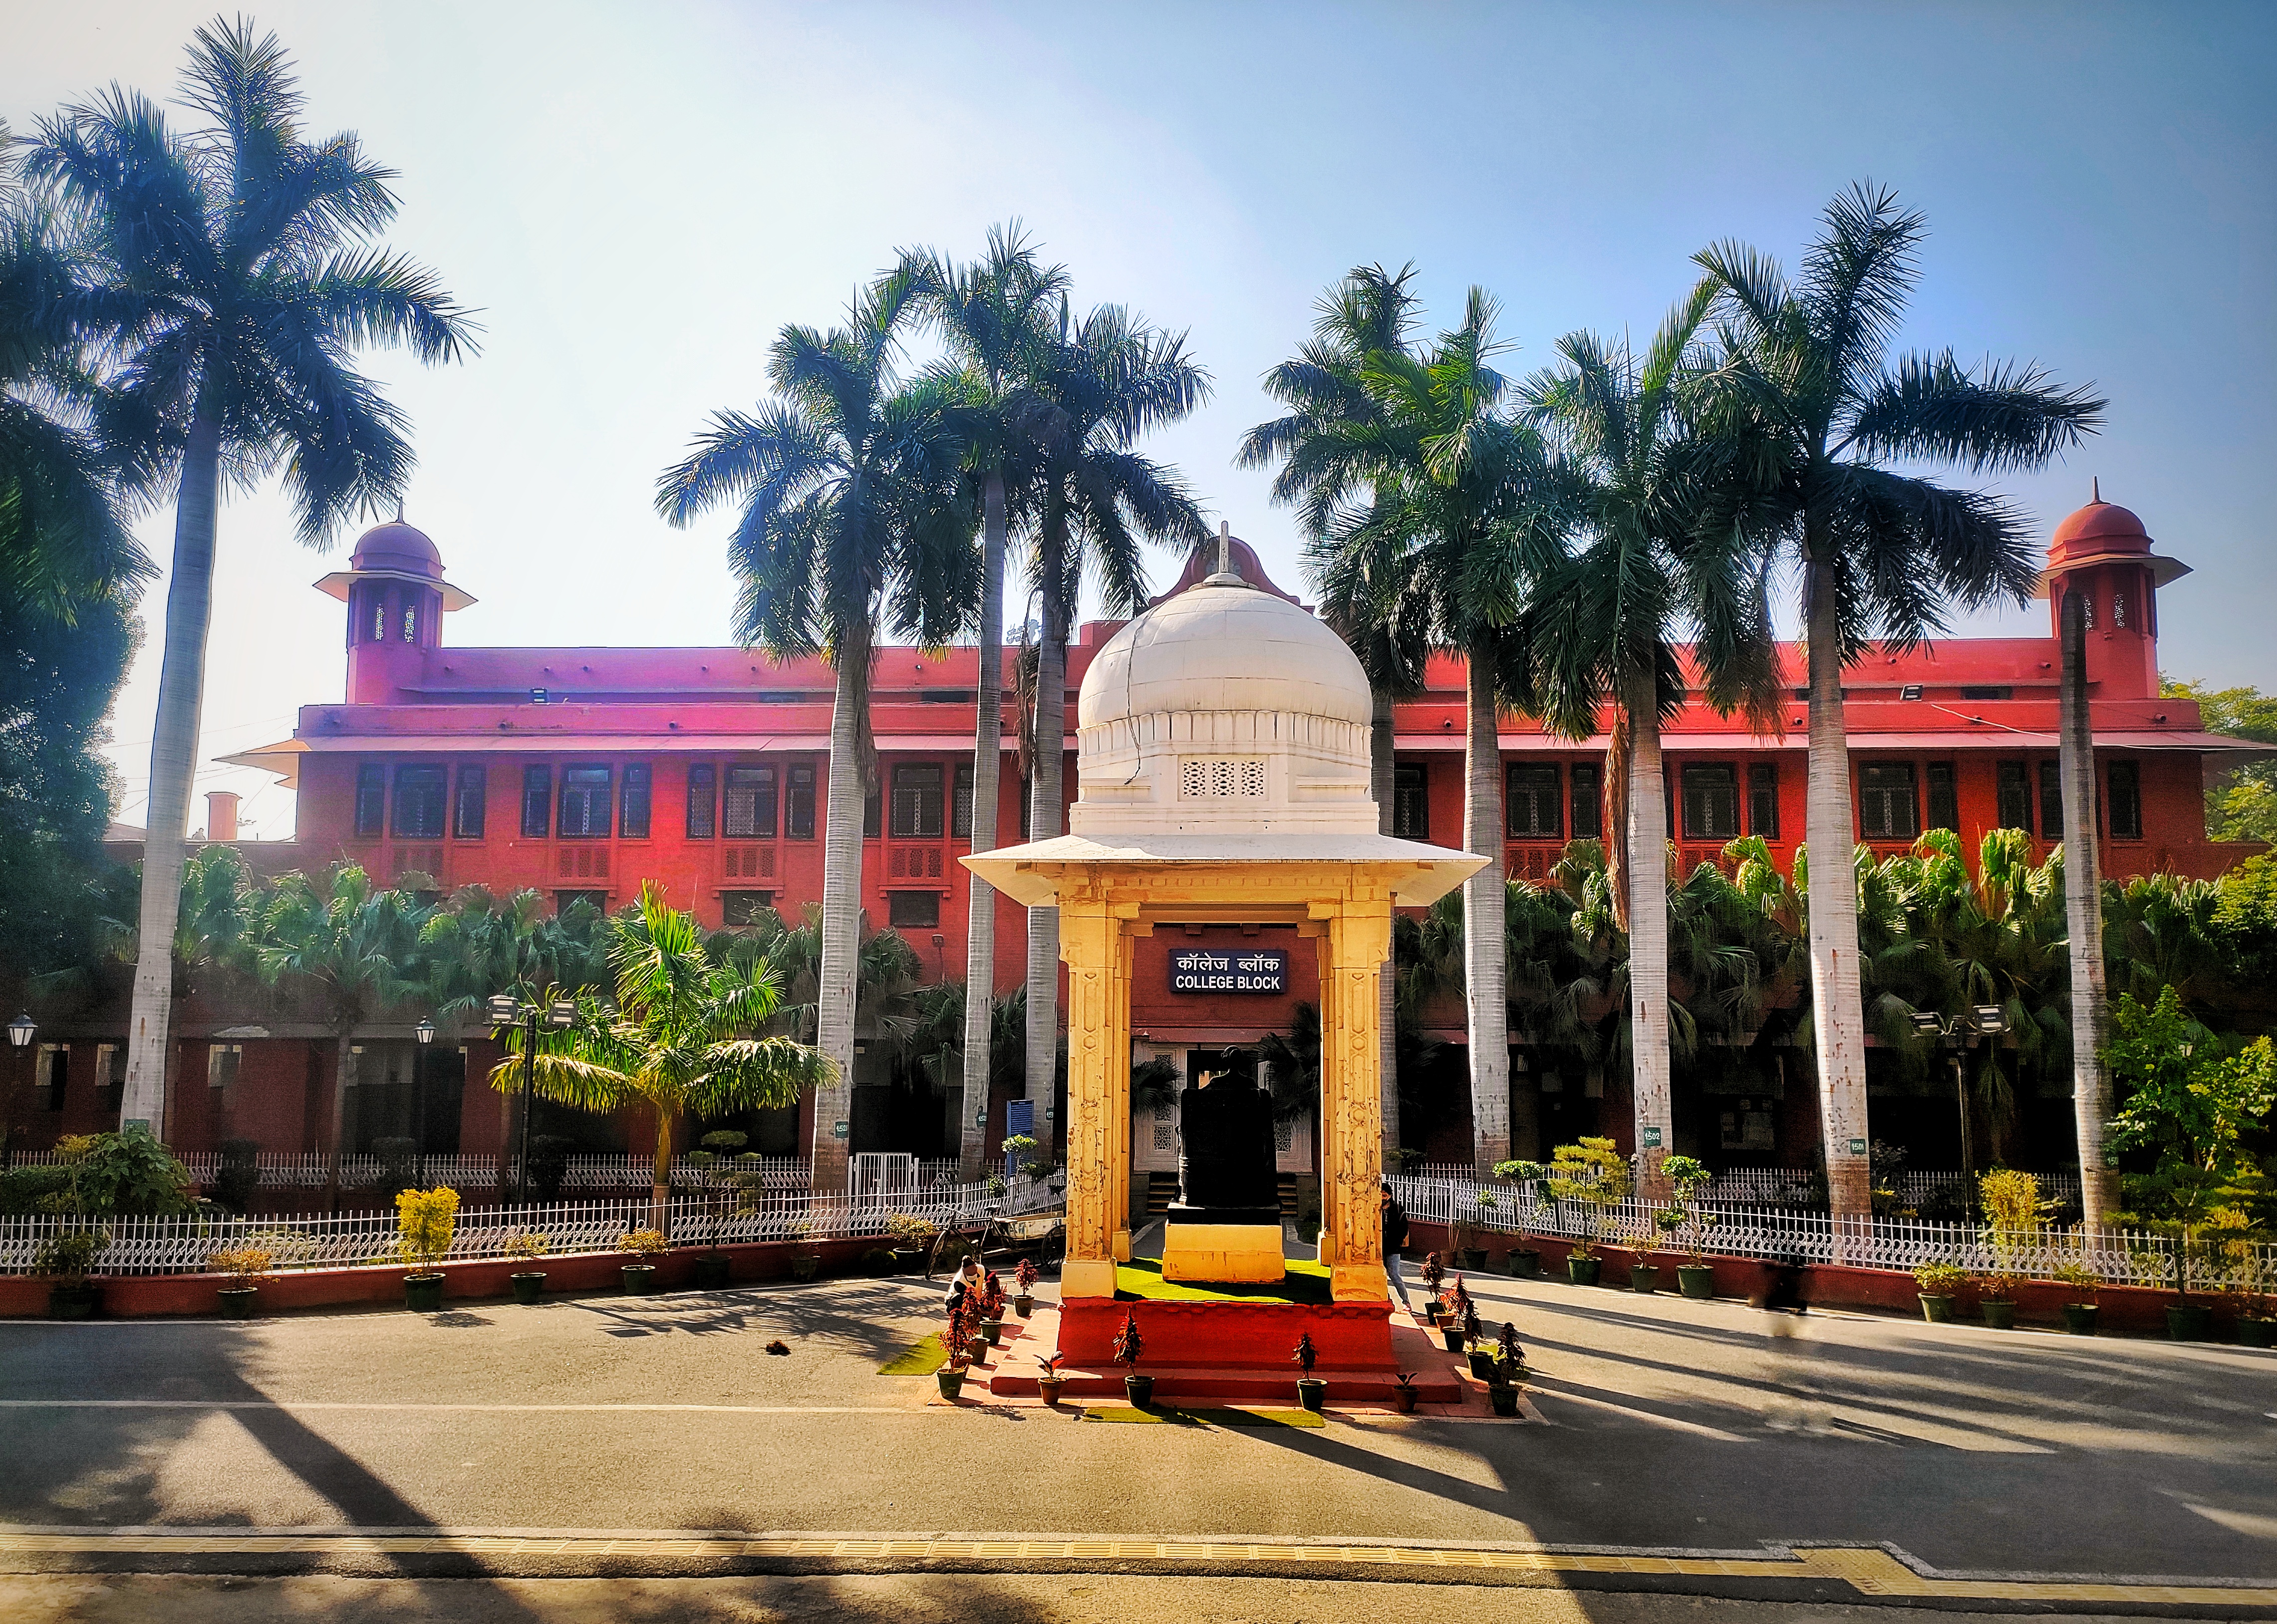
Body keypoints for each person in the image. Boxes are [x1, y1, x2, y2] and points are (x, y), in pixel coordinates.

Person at [1380, 1181, 1413, 1310]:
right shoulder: (1374, 1209)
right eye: (1380, 1195)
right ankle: (1383, 1298)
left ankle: (1406, 1302)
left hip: (1393, 1248)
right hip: (1378, 1248)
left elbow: (1404, 1228)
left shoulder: (1398, 1209)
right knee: (1380, 1276)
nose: (1382, 1198)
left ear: (1390, 1196)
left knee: (1394, 1275)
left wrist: (1397, 1241)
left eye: (1385, 1195)